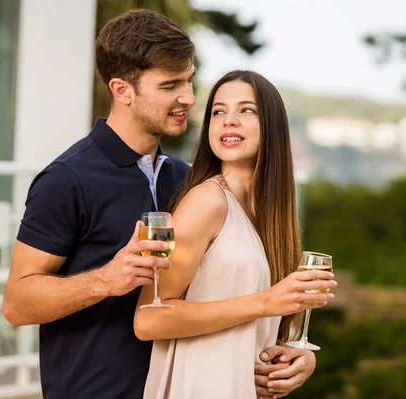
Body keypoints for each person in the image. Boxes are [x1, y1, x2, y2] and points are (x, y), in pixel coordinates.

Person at [2, 9, 328, 399]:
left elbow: (221, 290)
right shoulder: (68, 179)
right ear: (123, 90)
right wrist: (106, 279)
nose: (188, 98)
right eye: (171, 85)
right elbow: (17, 305)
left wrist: (294, 353)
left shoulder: (187, 180)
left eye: (189, 81)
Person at [134, 70, 337, 399]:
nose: (229, 120)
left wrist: (299, 359)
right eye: (218, 111)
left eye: (246, 110)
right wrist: (265, 303)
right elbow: (148, 319)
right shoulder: (207, 201)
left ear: (271, 125)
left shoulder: (270, 216)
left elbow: (256, 326)